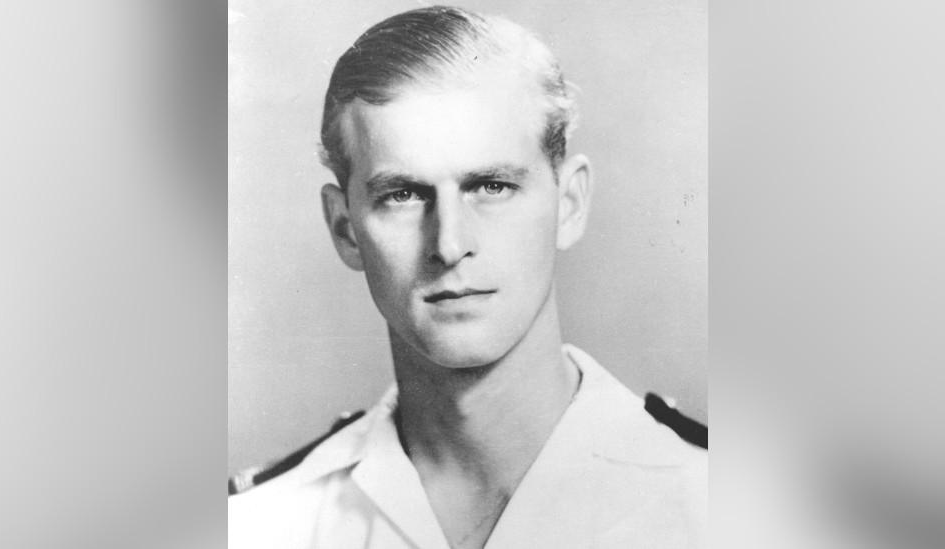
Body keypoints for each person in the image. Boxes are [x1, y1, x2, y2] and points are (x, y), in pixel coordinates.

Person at [229, 5, 706, 548]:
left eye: (491, 187)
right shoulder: (256, 528)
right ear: (345, 229)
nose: (450, 245)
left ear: (569, 204)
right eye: (403, 195)